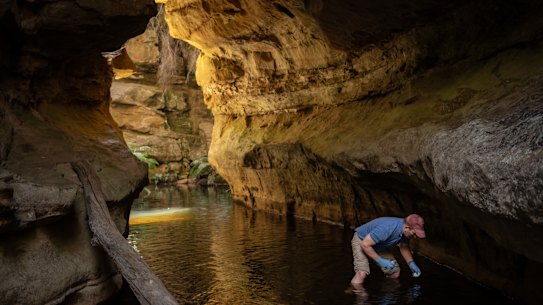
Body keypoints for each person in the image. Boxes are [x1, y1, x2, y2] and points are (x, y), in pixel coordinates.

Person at [350, 214, 426, 285]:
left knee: (395, 272)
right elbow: (365, 244)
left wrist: (411, 263)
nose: (415, 237)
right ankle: (352, 290)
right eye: (414, 233)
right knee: (362, 273)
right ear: (407, 227)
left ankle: (387, 295)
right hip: (362, 240)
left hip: (379, 244)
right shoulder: (387, 228)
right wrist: (380, 260)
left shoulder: (405, 230)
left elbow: (403, 246)